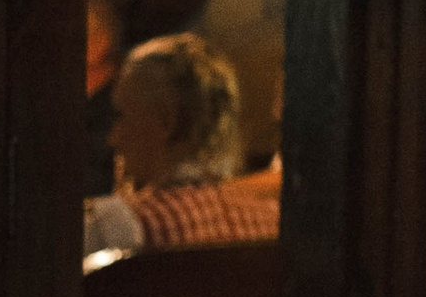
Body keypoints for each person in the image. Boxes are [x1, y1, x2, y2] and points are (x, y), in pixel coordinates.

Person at [82, 30, 279, 262]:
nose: (113, 138)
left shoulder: (119, 226)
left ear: (166, 122)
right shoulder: (270, 219)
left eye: (122, 116)